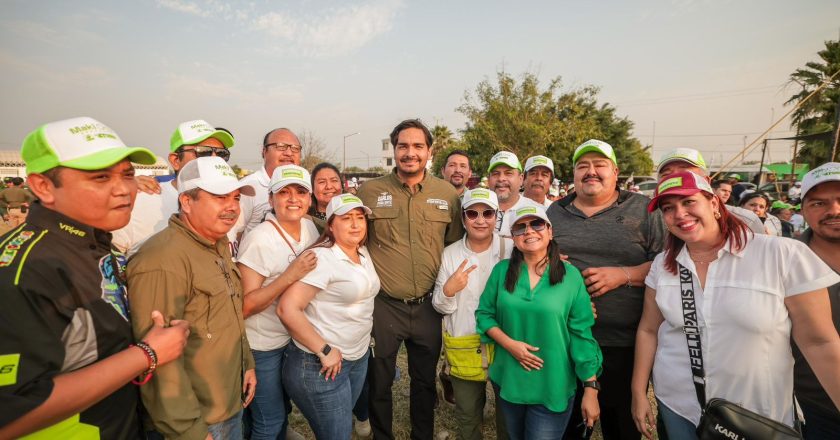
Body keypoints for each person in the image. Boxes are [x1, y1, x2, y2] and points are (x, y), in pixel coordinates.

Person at [0, 117, 189, 439]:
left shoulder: (99, 243)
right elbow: (11, 414)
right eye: (100, 177)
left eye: (128, 174)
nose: (123, 189)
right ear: (43, 186)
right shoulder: (26, 269)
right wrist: (147, 353)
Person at [632, 171, 840, 439]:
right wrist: (638, 393)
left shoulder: (780, 254)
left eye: (688, 202)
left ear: (715, 204)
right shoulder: (663, 264)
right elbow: (649, 330)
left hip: (759, 415)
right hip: (680, 406)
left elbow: (820, 342)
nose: (680, 214)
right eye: (668, 208)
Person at [127, 156, 257, 439]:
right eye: (220, 197)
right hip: (199, 422)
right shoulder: (162, 259)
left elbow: (229, 315)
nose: (232, 207)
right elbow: (157, 360)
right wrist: (189, 431)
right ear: (186, 201)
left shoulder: (217, 243)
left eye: (235, 198)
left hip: (227, 402)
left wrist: (247, 364)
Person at [547, 139, 665, 440]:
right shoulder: (555, 212)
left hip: (624, 342)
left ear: (615, 171)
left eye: (599, 165)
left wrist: (623, 275)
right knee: (569, 426)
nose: (591, 172)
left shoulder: (644, 209)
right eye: (582, 166)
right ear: (573, 174)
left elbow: (668, 264)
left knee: (622, 426)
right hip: (568, 340)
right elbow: (536, 263)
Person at [356, 118, 463, 439]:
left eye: (418, 146)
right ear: (394, 149)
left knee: (424, 381)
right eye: (403, 146)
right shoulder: (370, 191)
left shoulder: (446, 194)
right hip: (384, 306)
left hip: (430, 306)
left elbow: (454, 245)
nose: (410, 153)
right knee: (380, 381)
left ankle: (423, 435)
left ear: (429, 151)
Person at [476, 206, 603, 439]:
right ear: (513, 237)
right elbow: (484, 314)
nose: (529, 231)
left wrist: (590, 388)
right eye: (520, 227)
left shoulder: (570, 276)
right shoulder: (501, 271)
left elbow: (581, 334)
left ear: (550, 232)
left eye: (536, 224)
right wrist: (510, 345)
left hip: (553, 383)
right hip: (510, 380)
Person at [277, 194, 380, 439]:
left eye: (360, 217)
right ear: (331, 226)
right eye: (346, 218)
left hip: (355, 358)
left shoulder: (362, 252)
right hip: (320, 365)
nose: (355, 224)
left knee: (339, 429)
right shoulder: (324, 258)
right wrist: (324, 350)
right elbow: (287, 308)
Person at [236, 165, 319, 440]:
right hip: (262, 347)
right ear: (271, 200)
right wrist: (288, 275)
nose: (293, 199)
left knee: (281, 412)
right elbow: (245, 306)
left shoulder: (308, 227)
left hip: (291, 341)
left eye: (300, 192)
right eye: (283, 192)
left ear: (310, 199)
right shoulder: (259, 239)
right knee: (267, 420)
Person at [432, 188, 513, 439]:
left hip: (505, 344)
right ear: (463, 218)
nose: (480, 220)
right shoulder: (450, 253)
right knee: (468, 416)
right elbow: (440, 306)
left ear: (496, 216)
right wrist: (449, 290)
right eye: (473, 213)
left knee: (508, 416)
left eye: (488, 213)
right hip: (465, 343)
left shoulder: (511, 248)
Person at [112, 119, 235, 256]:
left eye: (221, 154)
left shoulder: (234, 204)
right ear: (175, 161)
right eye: (203, 152)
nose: (214, 159)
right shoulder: (141, 200)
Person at [794, 162, 840, 439]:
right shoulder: (784, 261)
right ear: (803, 210)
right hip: (810, 406)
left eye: (839, 200)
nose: (833, 210)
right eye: (819, 203)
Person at [657, 148, 765, 235]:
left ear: (706, 181)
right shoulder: (652, 221)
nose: (676, 179)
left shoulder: (746, 222)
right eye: (666, 175)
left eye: (685, 173)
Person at [238, 128, 303, 236]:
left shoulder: (306, 186)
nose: (289, 153)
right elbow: (234, 235)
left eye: (295, 148)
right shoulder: (248, 187)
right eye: (281, 146)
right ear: (264, 152)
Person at [487, 151, 542, 237]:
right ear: (488, 179)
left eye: (508, 173)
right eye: (495, 173)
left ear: (521, 178)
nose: (501, 178)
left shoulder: (539, 212)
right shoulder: (472, 211)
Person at [307, 162, 344, 233]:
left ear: (341, 185)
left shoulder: (352, 214)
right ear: (312, 188)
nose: (329, 186)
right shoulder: (304, 219)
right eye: (322, 182)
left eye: (334, 180)